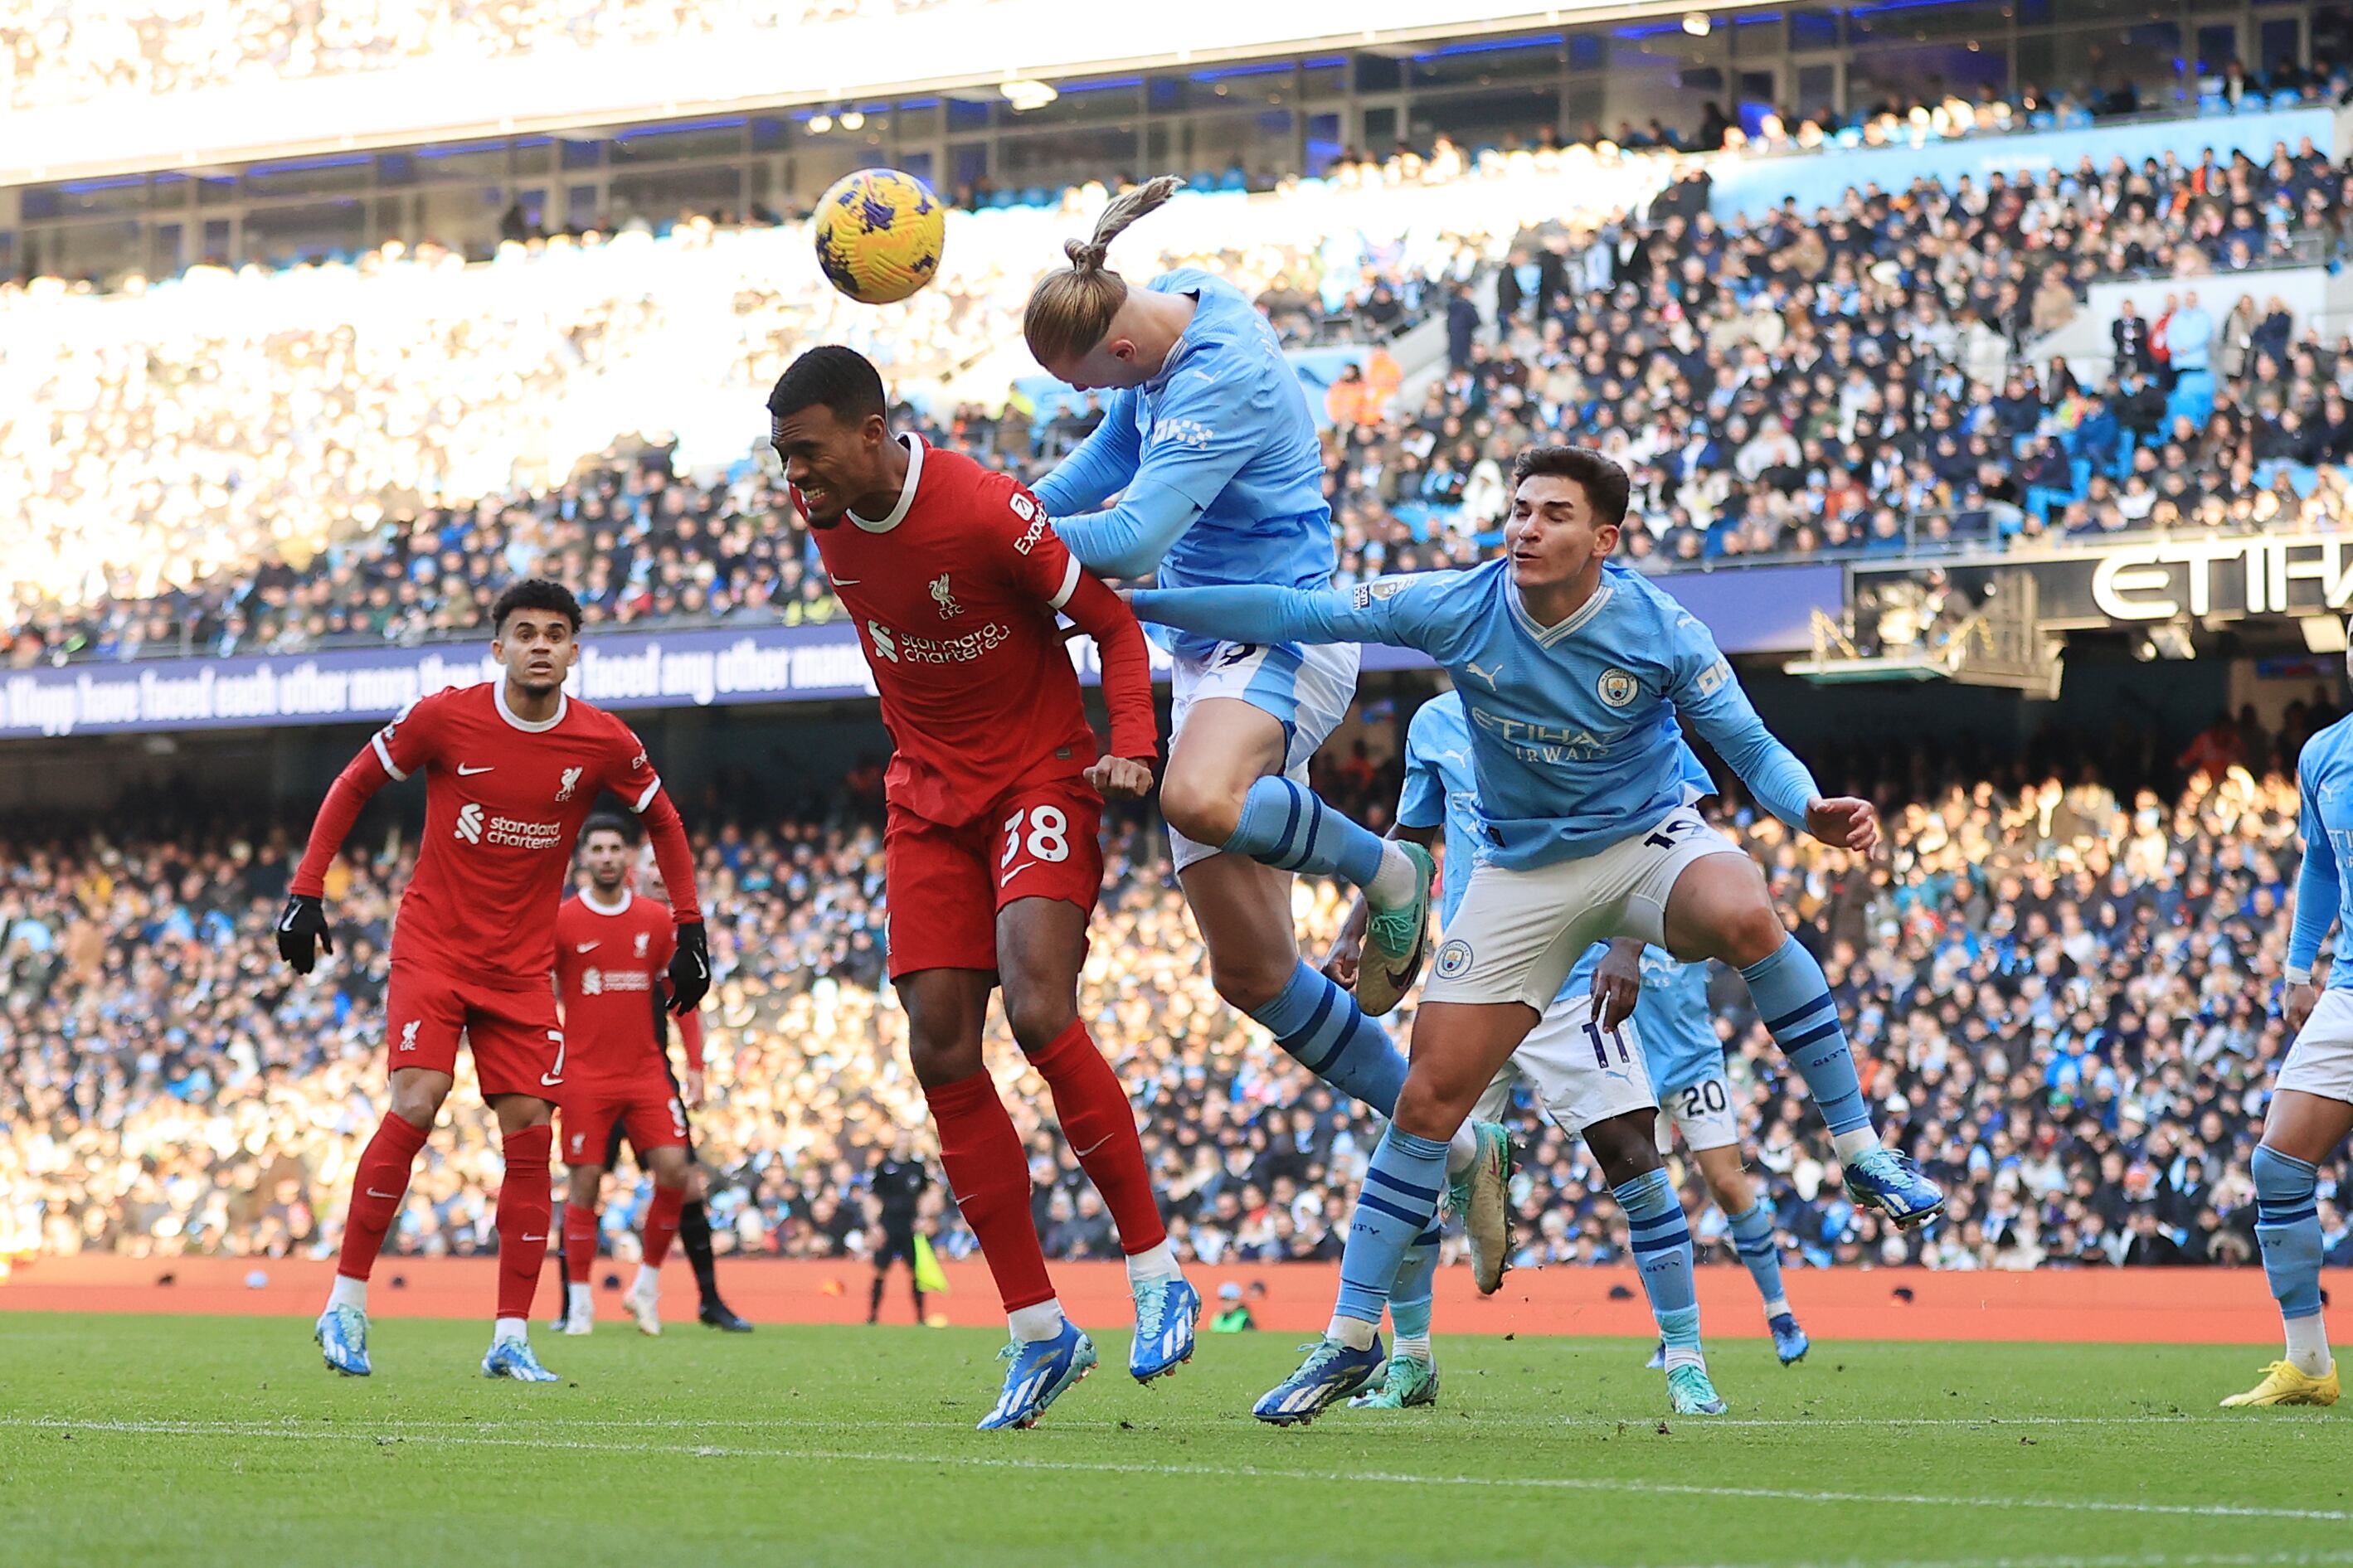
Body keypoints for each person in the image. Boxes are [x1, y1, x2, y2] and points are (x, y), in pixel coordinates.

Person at [1126, 445, 1944, 1422]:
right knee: (1427, 1104)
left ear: (1603, 538)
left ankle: (1854, 1147)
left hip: (1643, 844)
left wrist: (1805, 805)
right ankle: (1351, 1341)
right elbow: (1297, 614)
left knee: (1743, 909)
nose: (1523, 527)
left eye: (1551, 514)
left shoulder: (1659, 630)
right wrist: (1133, 606)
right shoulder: (1456, 605)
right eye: (1517, 509)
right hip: (1519, 879)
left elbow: (1747, 744)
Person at [1018, 177, 1510, 1282]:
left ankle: (1387, 869)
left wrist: (1013, 552)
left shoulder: (1224, 373)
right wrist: (985, 511)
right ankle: (1467, 1142)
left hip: (1278, 629)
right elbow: (1098, 468)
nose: (1102, 399)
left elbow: (1136, 529)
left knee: (1196, 794)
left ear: (1123, 352)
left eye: (1094, 382)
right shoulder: (1169, 311)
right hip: (1202, 649)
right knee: (1250, 972)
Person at [766, 344, 1195, 1430]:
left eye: (808, 453)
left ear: (873, 432)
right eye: (783, 458)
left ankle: (1157, 1272)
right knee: (940, 1042)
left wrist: (1134, 744)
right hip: (926, 801)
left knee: (1040, 1003)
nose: (794, 478)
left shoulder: (986, 509)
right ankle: (1039, 1329)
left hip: (1040, 771)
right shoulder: (824, 518)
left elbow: (1113, 624)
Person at [280, 579, 711, 1381]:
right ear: (499, 648)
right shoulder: (446, 716)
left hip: (520, 971)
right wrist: (307, 889)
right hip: (434, 952)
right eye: (524, 632)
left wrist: (689, 925)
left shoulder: (602, 741)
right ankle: (344, 1304)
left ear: (574, 651)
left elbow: (664, 819)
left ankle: (510, 1334)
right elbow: (354, 782)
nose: (540, 644)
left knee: (528, 1138)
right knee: (417, 1098)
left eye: (555, 632)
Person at [1324, 690, 1731, 1415]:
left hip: (1572, 975)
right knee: (1413, 1151)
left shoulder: (1587, 697)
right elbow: (1412, 840)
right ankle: (1410, 1361)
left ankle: (1685, 1359)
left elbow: (1666, 828)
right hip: (1467, 981)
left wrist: (1627, 944)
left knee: (1633, 1156)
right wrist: (1358, 924)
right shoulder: (1434, 721)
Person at [549, 835, 751, 1336]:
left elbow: (680, 996)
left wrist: (697, 1066)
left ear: (625, 859)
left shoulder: (658, 922)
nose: (607, 857)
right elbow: (540, 988)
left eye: (614, 848)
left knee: (678, 1174)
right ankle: (575, 1306)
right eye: (597, 849)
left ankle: (650, 1289)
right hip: (585, 1076)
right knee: (584, 1182)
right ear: (585, 859)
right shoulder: (563, 920)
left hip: (646, 1072)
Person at [2227, 677, 2352, 1407]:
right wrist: (2298, 964)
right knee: (2277, 1166)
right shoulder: (2323, 752)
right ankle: (2307, 1361)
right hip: (2346, 990)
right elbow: (2322, 864)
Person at [868, 1132, 931, 1325]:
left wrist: (923, 1217)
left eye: (908, 1141)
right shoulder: (883, 1166)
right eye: (902, 1140)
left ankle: (920, 1317)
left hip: (909, 1225)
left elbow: (925, 1195)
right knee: (880, 1270)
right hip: (888, 1224)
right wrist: (874, 1225)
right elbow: (872, 1196)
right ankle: (873, 1315)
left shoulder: (917, 1168)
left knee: (915, 1271)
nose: (905, 1144)